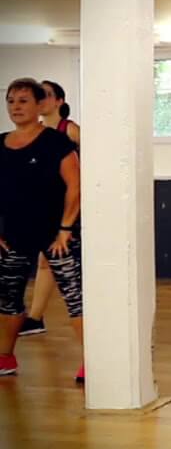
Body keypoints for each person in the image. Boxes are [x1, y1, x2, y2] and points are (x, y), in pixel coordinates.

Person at [0, 78, 83, 381]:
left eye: (23, 101)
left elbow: (75, 186)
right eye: (11, 101)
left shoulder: (55, 142)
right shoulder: (1, 143)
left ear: (39, 105)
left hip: (56, 235)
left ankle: (93, 361)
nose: (16, 107)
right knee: (7, 298)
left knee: (75, 297)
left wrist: (65, 229)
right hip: (14, 236)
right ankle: (5, 357)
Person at [18, 80, 82, 338]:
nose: (41, 100)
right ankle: (35, 318)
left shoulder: (71, 130)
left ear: (59, 101)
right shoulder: (38, 133)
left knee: (57, 263)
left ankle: (40, 318)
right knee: (45, 262)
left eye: (46, 95)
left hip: (71, 207)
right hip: (46, 207)